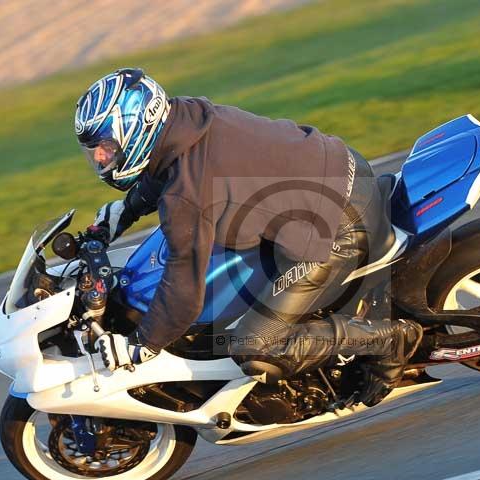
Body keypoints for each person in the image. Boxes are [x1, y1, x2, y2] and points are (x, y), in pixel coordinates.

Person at [76, 68, 422, 407]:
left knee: (255, 345)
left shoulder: (185, 196)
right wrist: (127, 210)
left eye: (106, 145)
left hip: (338, 230)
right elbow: (166, 167)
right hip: (344, 167)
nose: (101, 157)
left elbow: (184, 290)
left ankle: (389, 341)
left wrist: (143, 343)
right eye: (94, 150)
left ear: (138, 128)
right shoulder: (189, 117)